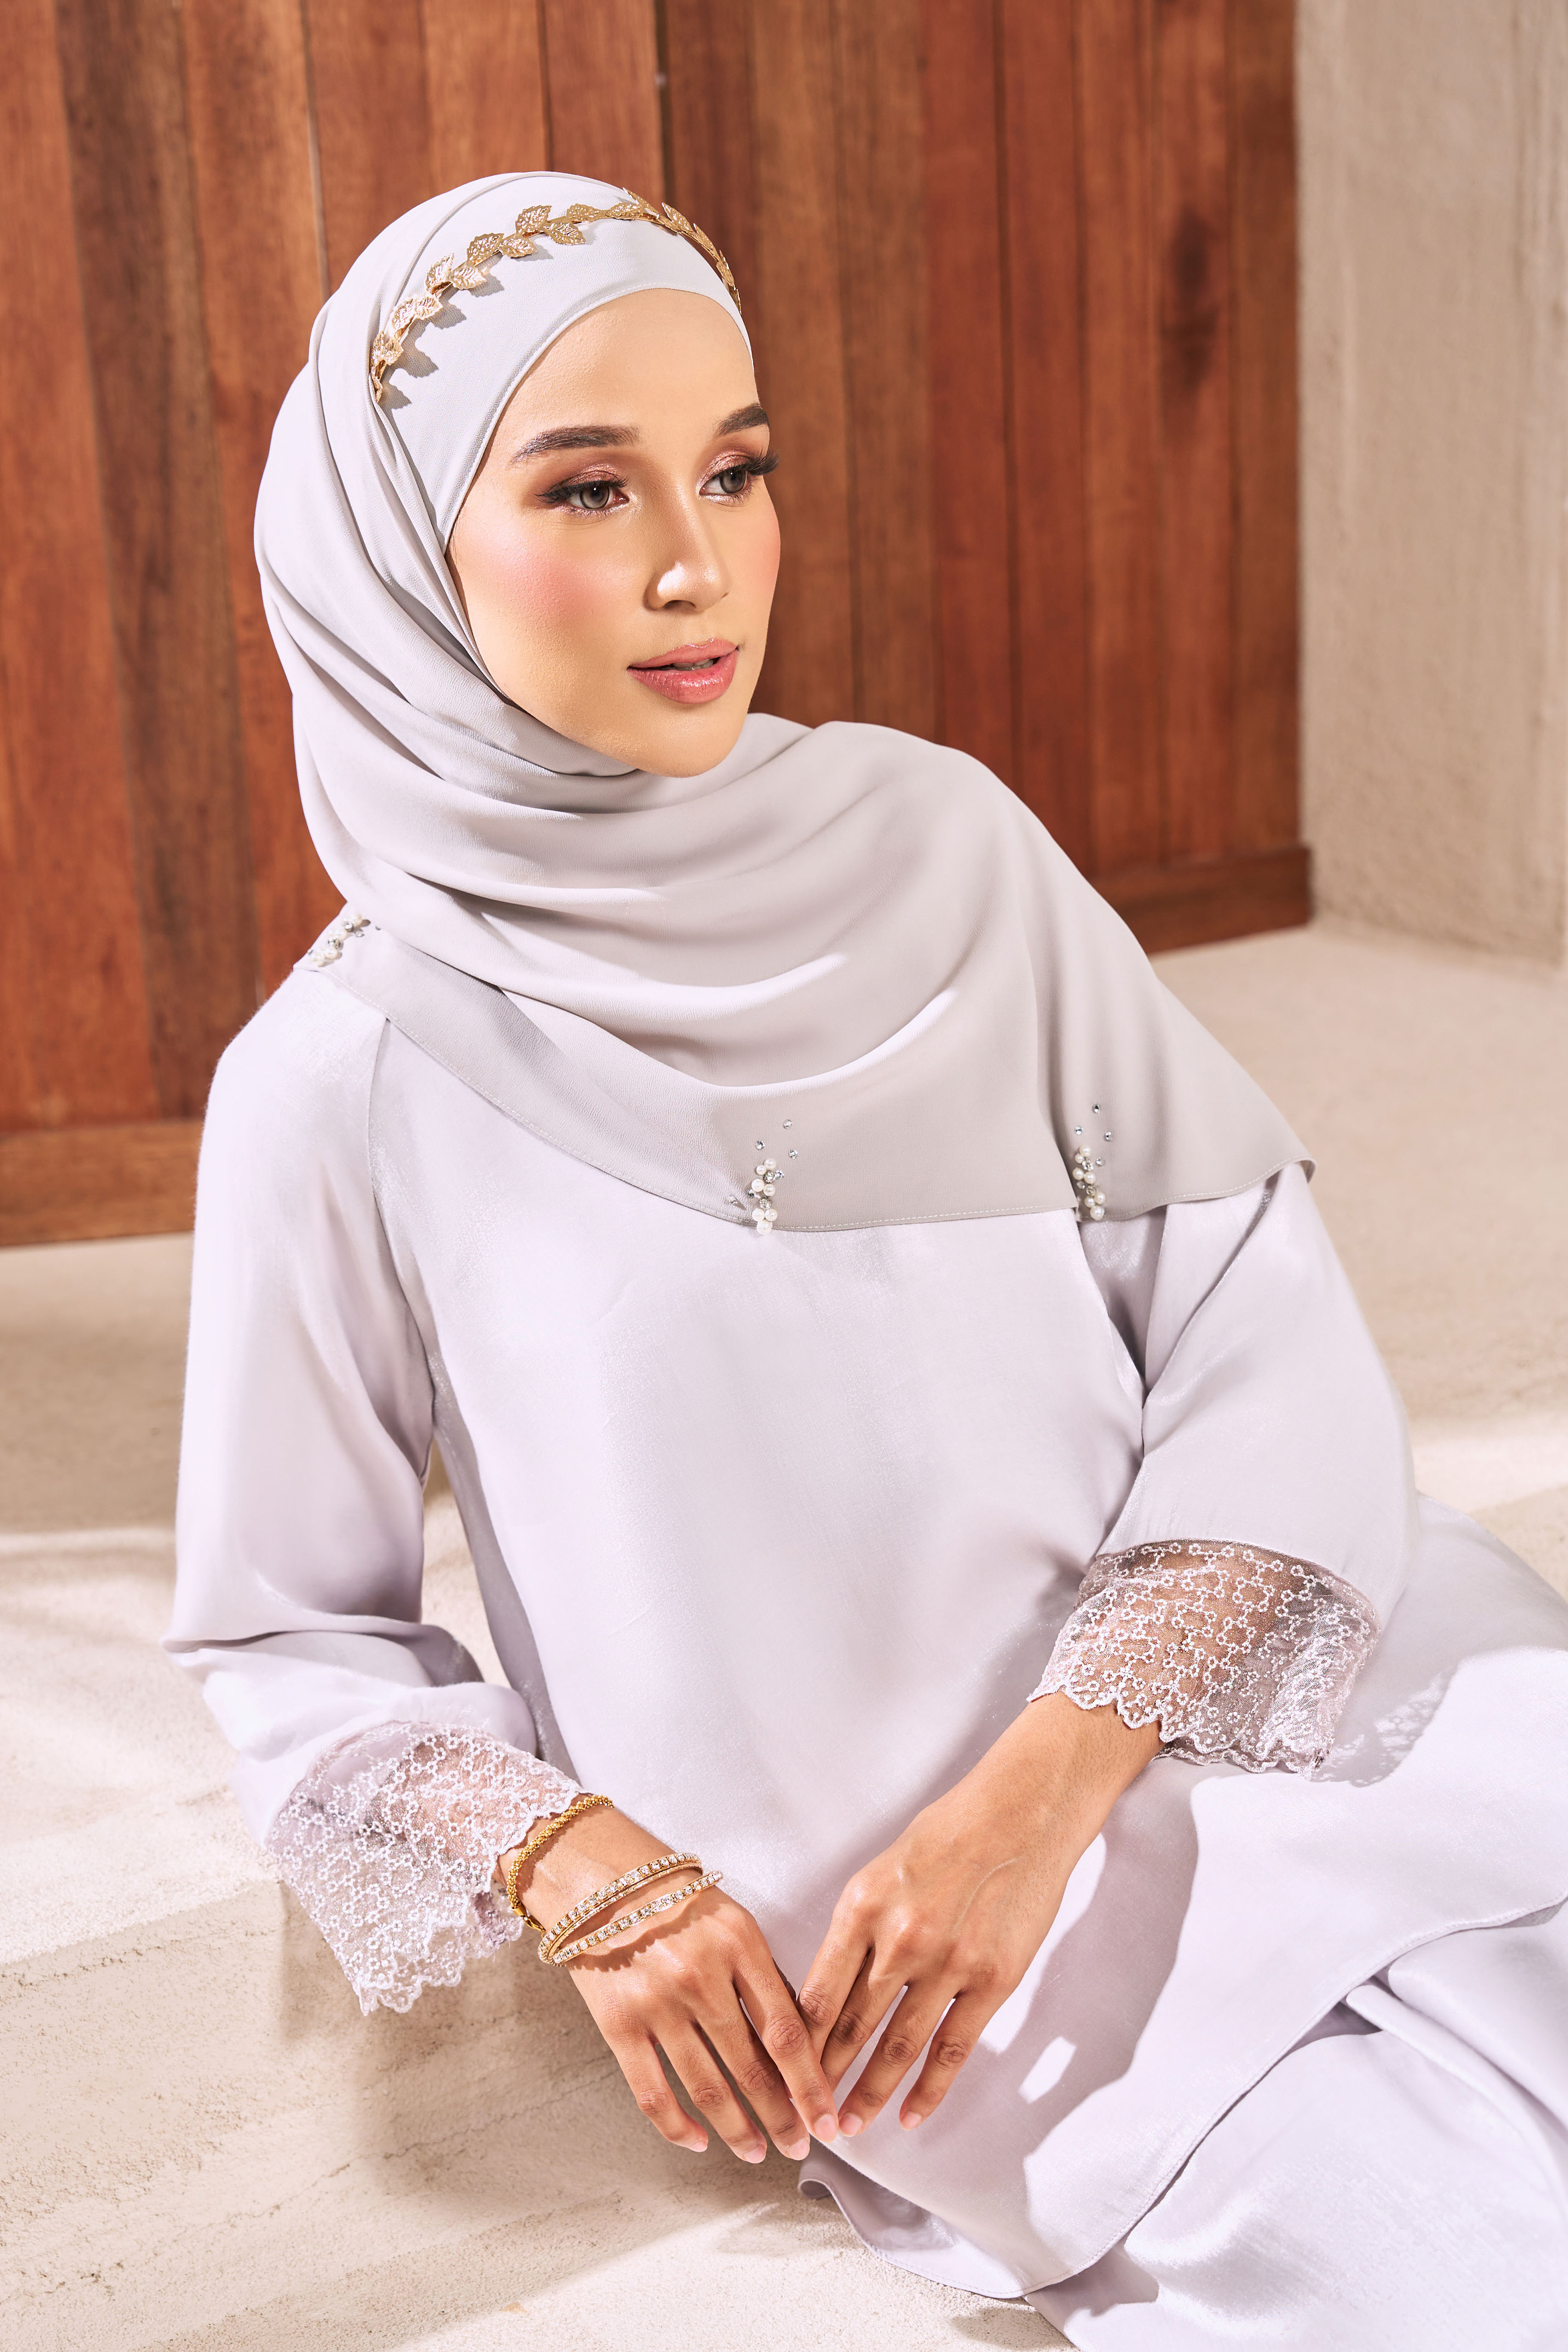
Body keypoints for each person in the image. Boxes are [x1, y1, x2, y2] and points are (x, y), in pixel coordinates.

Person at [166, 172, 1568, 2346]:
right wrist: (582, 1869)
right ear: (398, 554)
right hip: (968, 1990)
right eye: (588, 486)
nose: (695, 565)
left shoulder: (947, 850)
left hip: (1311, 1714)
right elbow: (286, 1635)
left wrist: (1047, 1782)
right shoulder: (339, 1080)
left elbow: (1252, 1315)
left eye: (735, 470)